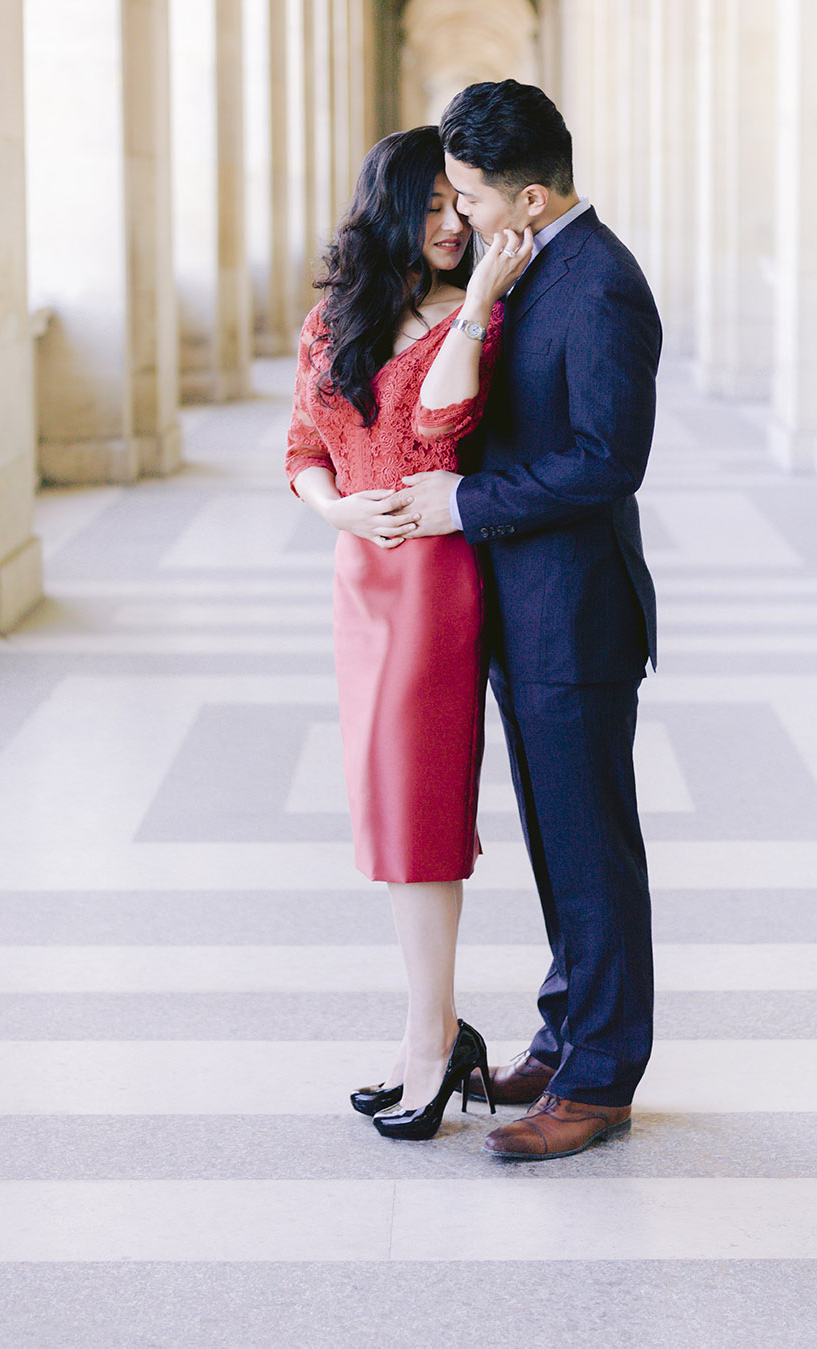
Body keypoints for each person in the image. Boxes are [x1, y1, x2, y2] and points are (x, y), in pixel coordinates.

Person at [402, 80, 662, 1162]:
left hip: (575, 613)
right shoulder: (529, 263)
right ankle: (566, 1032)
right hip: (524, 605)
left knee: (590, 849)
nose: (455, 217)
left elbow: (607, 462)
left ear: (533, 194)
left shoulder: (598, 284)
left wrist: (463, 501)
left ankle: (600, 1076)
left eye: (467, 196)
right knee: (559, 841)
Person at [285, 125, 534, 1142]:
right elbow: (306, 444)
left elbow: (436, 431)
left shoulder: (478, 317)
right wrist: (332, 510)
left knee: (419, 808)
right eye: (426, 207)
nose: (445, 225)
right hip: (359, 575)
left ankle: (429, 1040)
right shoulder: (335, 317)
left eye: (456, 207)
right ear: (389, 207)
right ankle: (427, 1029)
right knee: (387, 811)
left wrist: (472, 305)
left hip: (437, 580)